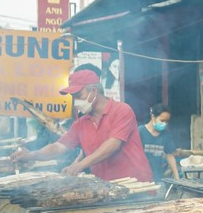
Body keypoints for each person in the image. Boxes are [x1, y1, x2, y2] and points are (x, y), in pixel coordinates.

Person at [11, 68, 153, 181]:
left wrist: (80, 165)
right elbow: (58, 147)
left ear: (94, 91)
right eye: (73, 97)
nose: (75, 101)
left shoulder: (122, 111)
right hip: (107, 188)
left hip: (136, 185)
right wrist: (30, 155)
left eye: (78, 96)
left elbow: (113, 145)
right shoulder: (80, 124)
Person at [139, 103, 179, 183]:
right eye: (162, 120)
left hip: (158, 178)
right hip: (141, 179)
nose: (164, 124)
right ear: (153, 117)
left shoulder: (166, 135)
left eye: (167, 121)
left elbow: (170, 156)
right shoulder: (140, 132)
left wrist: (177, 178)